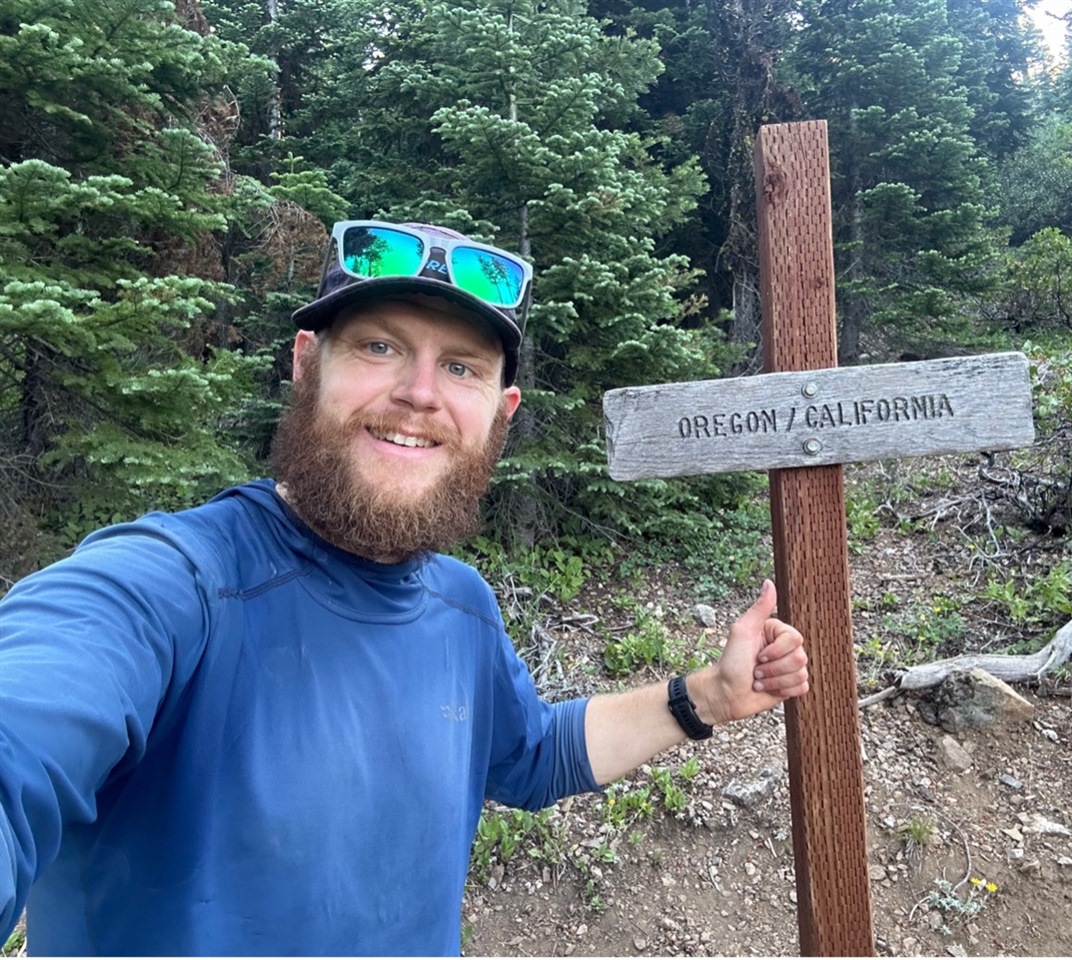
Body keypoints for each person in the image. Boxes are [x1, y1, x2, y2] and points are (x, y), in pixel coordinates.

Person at [0, 220, 809, 955]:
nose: (419, 393)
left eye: (461, 367)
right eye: (379, 347)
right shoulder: (171, 586)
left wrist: (706, 696)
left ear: (503, 412)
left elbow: (529, 755)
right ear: (305, 365)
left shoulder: (462, 608)